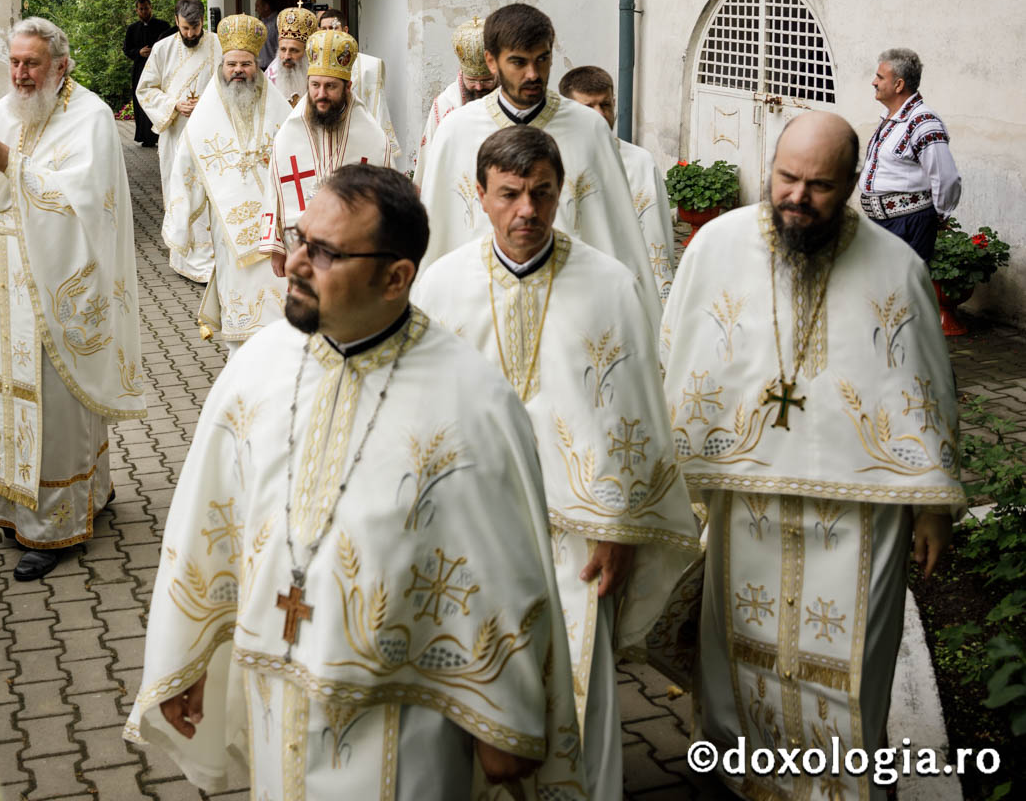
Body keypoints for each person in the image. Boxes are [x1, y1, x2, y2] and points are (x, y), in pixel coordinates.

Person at [126, 164, 586, 798]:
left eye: (325, 252)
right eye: (299, 237)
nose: (293, 263)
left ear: (395, 277)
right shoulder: (253, 370)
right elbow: (208, 523)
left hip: (403, 723)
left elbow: (505, 573)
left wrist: (503, 718)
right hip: (276, 702)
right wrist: (187, 660)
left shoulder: (473, 405)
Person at [660, 111, 962, 801]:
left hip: (862, 512)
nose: (796, 196)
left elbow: (926, 391)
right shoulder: (715, 247)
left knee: (850, 665)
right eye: (785, 177)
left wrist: (934, 507)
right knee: (737, 651)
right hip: (746, 501)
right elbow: (676, 358)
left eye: (818, 185)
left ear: (853, 183)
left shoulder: (897, 267)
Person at [412, 126, 698, 801]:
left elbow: (638, 421)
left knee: (577, 687)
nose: (527, 211)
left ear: (561, 192)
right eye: (509, 194)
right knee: (471, 672)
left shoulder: (611, 286)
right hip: (471, 532)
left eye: (542, 193)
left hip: (579, 540)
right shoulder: (440, 290)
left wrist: (623, 527)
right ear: (479, 195)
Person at [0, 18, 145, 582]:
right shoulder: (5, 111)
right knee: (6, 393)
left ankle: (55, 524)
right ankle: (14, 507)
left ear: (60, 66)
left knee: (54, 399)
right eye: (16, 63)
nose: (21, 75)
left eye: (33, 64)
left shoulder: (93, 116)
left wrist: (10, 163)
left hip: (56, 280)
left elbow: (89, 202)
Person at [416, 4, 657, 322]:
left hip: (571, 310)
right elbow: (440, 238)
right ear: (492, 61)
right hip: (477, 312)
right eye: (518, 62)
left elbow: (616, 235)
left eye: (542, 59)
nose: (533, 74)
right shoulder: (455, 131)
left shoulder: (589, 128)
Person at [174, 14, 291, 353]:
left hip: (275, 233)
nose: (238, 70)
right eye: (231, 64)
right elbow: (186, 165)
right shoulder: (205, 116)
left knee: (279, 314)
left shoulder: (280, 109)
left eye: (246, 64)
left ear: (257, 66)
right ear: (221, 67)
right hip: (230, 238)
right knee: (241, 313)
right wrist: (181, 226)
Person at [263, 28, 395, 277]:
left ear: (348, 86)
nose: (320, 95)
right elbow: (274, 192)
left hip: (354, 250)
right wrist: (277, 248)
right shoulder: (288, 133)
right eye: (315, 85)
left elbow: (388, 199)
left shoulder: (373, 138)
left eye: (330, 86)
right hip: (302, 247)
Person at [559, 66, 676, 303]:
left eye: (605, 105)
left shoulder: (641, 162)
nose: (600, 114)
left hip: (633, 292)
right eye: (588, 107)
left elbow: (659, 237)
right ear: (567, 111)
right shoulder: (555, 164)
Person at [137, 0, 221, 281]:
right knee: (180, 193)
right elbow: (145, 90)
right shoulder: (162, 49)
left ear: (202, 24)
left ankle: (214, 258)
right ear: (176, 21)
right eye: (185, 29)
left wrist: (207, 103)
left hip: (211, 136)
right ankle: (185, 258)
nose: (190, 34)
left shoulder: (217, 46)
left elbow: (229, 84)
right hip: (175, 134)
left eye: (195, 29)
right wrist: (174, 104)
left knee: (209, 195)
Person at [857, 47, 961, 261]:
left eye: (879, 77)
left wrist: (939, 215)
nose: (873, 82)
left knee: (899, 291)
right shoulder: (891, 118)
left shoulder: (924, 121)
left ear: (899, 84)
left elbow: (945, 176)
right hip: (881, 224)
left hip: (908, 225)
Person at [319, 8, 400, 162]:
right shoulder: (315, 66)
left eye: (333, 28)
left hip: (363, 139)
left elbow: (378, 109)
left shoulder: (371, 66)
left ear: (345, 30)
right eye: (323, 29)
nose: (329, 34)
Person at [416, 15, 496, 160]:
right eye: (472, 80)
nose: (478, 87)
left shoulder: (512, 98)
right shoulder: (443, 105)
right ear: (462, 74)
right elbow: (430, 160)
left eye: (486, 80)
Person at [123, 0, 173, 148]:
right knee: (142, 100)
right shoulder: (132, 29)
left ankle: (160, 133)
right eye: (141, 9)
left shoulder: (163, 26)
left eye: (146, 8)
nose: (144, 11)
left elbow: (170, 45)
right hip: (140, 69)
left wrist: (155, 52)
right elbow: (127, 49)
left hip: (160, 69)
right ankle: (145, 136)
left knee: (159, 98)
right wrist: (139, 52)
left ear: (151, 8)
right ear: (137, 10)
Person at [263, 2, 317, 107]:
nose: (287, 56)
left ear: (307, 53)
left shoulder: (319, 77)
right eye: (283, 49)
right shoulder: (269, 77)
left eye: (294, 50)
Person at [254, 0, 279, 71]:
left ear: (266, 7)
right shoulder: (259, 23)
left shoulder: (278, 23)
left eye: (258, 6)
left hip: (273, 68)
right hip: (260, 68)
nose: (255, 10)